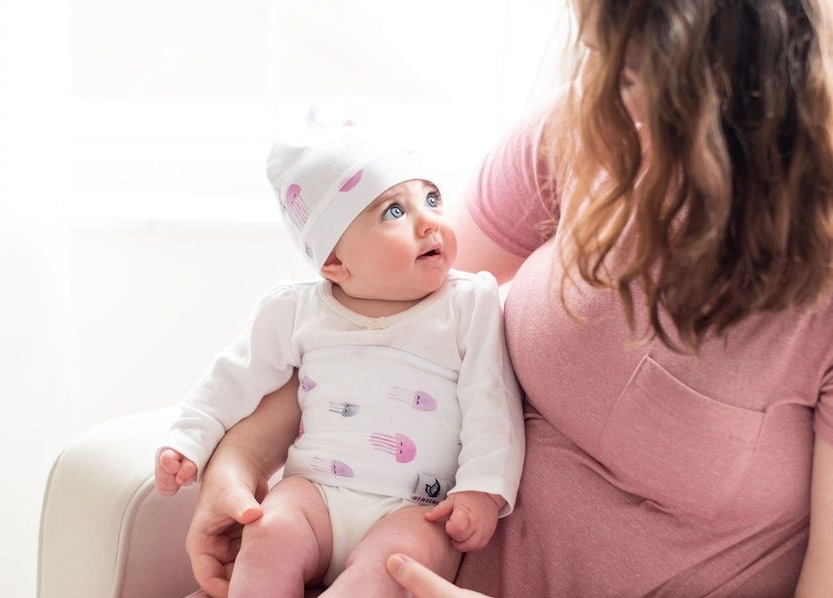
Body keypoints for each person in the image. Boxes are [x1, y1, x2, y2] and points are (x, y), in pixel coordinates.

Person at [180, 0, 833, 596]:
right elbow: (381, 316)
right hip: (387, 563)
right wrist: (239, 457)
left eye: (627, 70)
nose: (597, 87)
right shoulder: (583, 131)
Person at [154, 114, 526, 597]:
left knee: (392, 568)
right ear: (334, 261)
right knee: (267, 532)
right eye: (395, 212)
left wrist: (481, 487)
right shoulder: (295, 310)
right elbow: (230, 379)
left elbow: (491, 401)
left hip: (415, 507)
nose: (430, 220)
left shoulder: (467, 303)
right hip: (314, 497)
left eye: (431, 199)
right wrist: (190, 440)